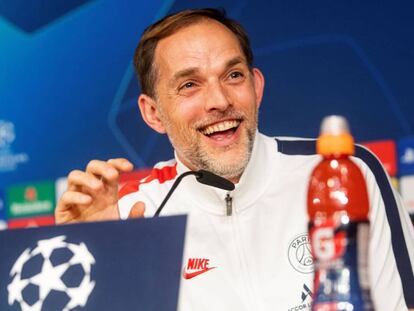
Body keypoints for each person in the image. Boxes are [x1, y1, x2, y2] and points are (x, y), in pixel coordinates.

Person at [55, 8, 414, 311]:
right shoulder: (131, 217)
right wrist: (92, 253)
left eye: (233, 75)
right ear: (153, 113)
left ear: (256, 87)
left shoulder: (345, 172)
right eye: (189, 85)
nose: (219, 100)